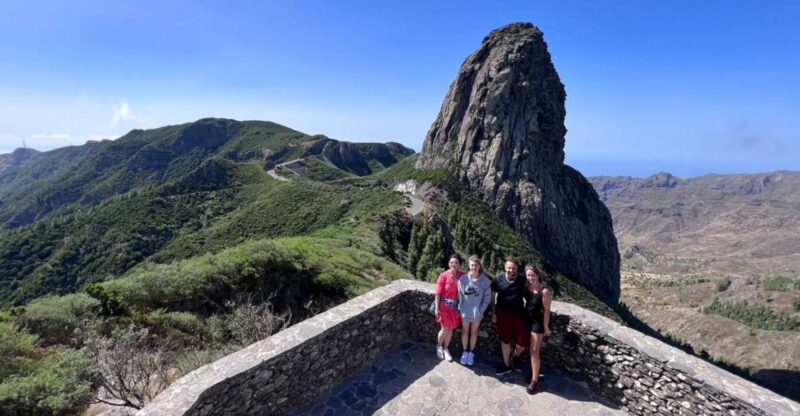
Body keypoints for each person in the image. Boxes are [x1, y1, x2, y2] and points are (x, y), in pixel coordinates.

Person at [491, 256, 530, 375]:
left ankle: (515, 357)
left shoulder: (522, 279)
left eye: (513, 268)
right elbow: (492, 296)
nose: (511, 270)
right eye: (509, 268)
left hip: (519, 315)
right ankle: (507, 365)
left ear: (517, 269)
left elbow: (533, 288)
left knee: (522, 343)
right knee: (505, 340)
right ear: (505, 267)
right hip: (502, 314)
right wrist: (493, 312)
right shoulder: (498, 279)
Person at [457, 255, 492, 366]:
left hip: (477, 312)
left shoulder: (484, 280)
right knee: (464, 331)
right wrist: (460, 307)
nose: (474, 267)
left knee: (474, 332)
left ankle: (471, 352)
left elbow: (487, 297)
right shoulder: (463, 279)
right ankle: (464, 352)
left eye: (476, 265)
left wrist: (481, 310)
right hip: (465, 311)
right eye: (472, 265)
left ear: (479, 266)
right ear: (469, 265)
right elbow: (460, 294)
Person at [524, 264, 551, 394]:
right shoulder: (527, 286)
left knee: (534, 351)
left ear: (538, 275)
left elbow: (546, 311)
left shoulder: (544, 291)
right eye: (528, 275)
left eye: (533, 275)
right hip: (526, 320)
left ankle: (534, 381)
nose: (530, 278)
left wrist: (546, 326)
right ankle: (533, 372)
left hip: (537, 323)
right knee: (528, 348)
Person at [435, 254, 465, 362]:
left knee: (451, 328)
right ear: (449, 263)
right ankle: (439, 346)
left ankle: (446, 349)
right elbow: (438, 293)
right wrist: (436, 308)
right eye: (452, 262)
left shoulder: (463, 275)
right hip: (443, 307)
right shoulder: (443, 276)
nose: (454, 264)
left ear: (459, 264)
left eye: (456, 262)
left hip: (455, 308)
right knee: (444, 329)